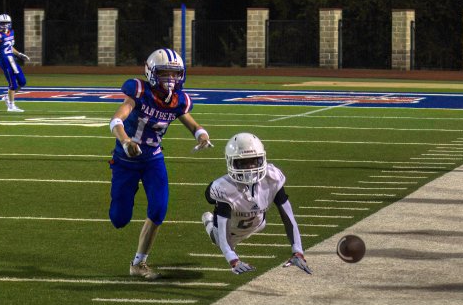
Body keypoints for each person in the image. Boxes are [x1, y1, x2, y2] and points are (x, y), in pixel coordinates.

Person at [109, 47, 214, 280]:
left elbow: (193, 125)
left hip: (153, 158)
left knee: (159, 208)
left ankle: (139, 263)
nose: (170, 78)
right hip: (126, 159)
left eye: (175, 73)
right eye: (164, 73)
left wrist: (202, 136)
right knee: (119, 218)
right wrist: (126, 142)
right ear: (151, 72)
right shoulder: (138, 91)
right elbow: (116, 120)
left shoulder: (178, 100)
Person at [202, 132, 312, 275]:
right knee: (218, 239)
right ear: (231, 162)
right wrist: (233, 260)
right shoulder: (223, 188)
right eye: (243, 162)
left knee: (257, 220)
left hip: (258, 222)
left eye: (254, 161)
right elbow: (224, 235)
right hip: (232, 231)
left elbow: (289, 218)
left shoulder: (272, 177)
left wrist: (298, 251)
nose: (249, 168)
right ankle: (209, 223)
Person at [0, 13, 31, 112]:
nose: (5, 25)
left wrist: (19, 54)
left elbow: (9, 47)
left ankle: (8, 96)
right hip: (4, 61)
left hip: (12, 60)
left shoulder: (11, 32)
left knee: (22, 82)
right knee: (13, 84)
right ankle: (11, 106)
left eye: (6, 23)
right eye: (2, 23)